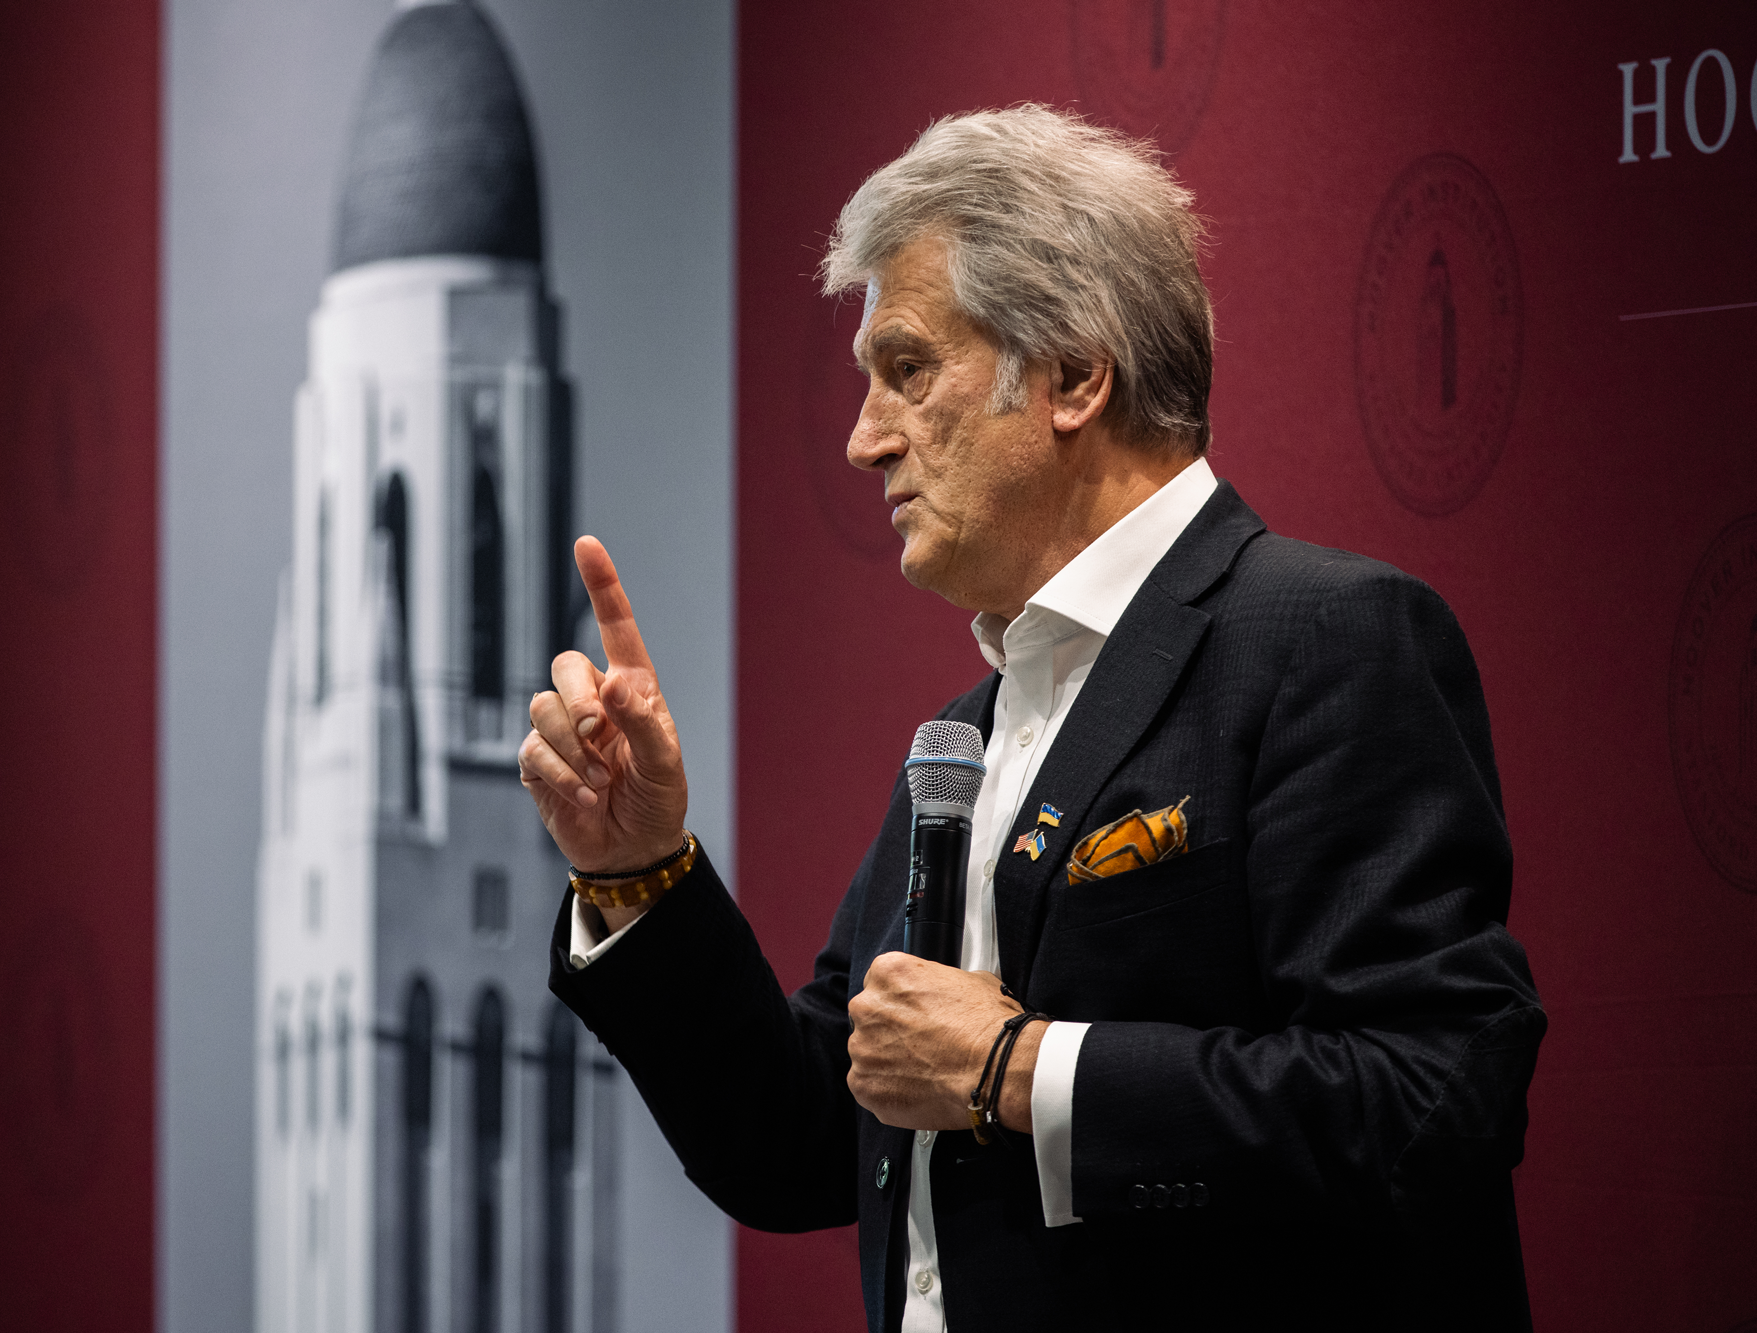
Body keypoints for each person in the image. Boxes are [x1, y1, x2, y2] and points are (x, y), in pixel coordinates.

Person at [517, 105, 1543, 1331]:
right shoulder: (963, 740)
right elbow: (793, 1145)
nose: (860, 440)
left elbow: (1433, 1095)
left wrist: (1018, 1071)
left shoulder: (1323, 639)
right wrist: (638, 875)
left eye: (906, 370)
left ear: (1071, 374)